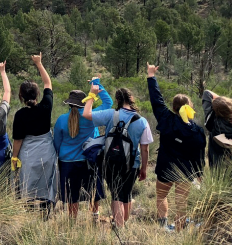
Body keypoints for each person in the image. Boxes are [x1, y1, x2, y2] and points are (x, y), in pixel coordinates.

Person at [147, 63, 205, 232]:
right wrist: (199, 175)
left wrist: (151, 76)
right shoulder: (197, 131)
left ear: (173, 107)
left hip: (165, 166)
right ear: (190, 107)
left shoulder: (165, 119)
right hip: (186, 171)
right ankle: (179, 229)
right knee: (181, 202)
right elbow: (199, 155)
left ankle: (163, 225)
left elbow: (156, 100)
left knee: (161, 196)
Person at [83, 84, 152, 227]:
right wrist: (143, 169)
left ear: (117, 99)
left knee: (116, 195)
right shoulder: (142, 121)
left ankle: (119, 226)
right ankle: (123, 223)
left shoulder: (110, 114)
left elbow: (86, 114)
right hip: (132, 163)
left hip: (111, 162)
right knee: (126, 194)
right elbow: (145, 149)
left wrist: (91, 94)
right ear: (131, 99)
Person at [53, 80, 113, 219]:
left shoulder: (62, 119)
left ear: (69, 103)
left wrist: (59, 156)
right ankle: (94, 216)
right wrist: (97, 85)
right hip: (88, 160)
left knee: (72, 194)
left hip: (67, 161)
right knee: (92, 190)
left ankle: (72, 220)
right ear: (84, 101)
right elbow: (108, 103)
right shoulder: (91, 116)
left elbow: (57, 142)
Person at [11, 53, 57, 213]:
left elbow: (18, 140)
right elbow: (48, 83)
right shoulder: (46, 106)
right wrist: (39, 63)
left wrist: (14, 157)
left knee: (28, 183)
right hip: (46, 150)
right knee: (46, 181)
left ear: (21, 96)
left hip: (28, 153)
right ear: (37, 94)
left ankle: (29, 212)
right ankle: (46, 211)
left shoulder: (20, 114)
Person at [202, 58, 232, 169]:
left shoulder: (212, 120)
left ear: (214, 110)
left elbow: (206, 93)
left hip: (218, 165)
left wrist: (221, 102)